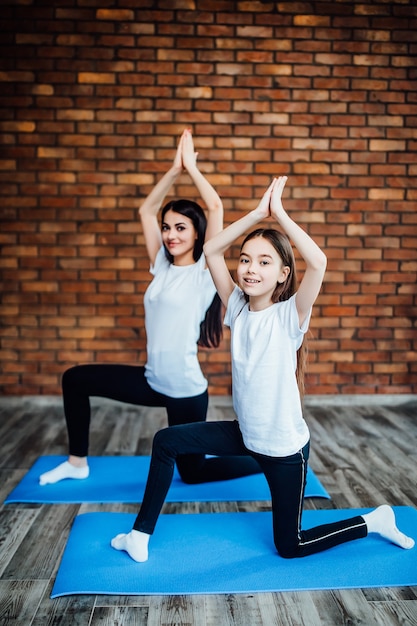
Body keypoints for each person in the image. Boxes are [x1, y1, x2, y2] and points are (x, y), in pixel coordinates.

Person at [111, 176, 414, 562]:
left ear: (283, 274)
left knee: (291, 546)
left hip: (286, 451)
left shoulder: (290, 316)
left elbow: (318, 262)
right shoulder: (236, 308)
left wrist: (280, 215)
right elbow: (212, 250)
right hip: (245, 435)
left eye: (264, 262)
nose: (251, 269)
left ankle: (374, 521)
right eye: (246, 260)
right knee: (166, 441)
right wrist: (256, 214)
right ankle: (139, 535)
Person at [39, 129, 260, 486]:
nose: (171, 234)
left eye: (181, 228)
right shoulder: (161, 265)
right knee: (75, 379)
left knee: (193, 473)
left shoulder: (206, 269)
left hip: (185, 389)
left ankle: (263, 460)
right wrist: (173, 170)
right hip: (151, 378)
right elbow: (145, 209)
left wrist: (192, 169)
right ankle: (77, 463)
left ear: (197, 233)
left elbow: (216, 207)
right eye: (167, 227)